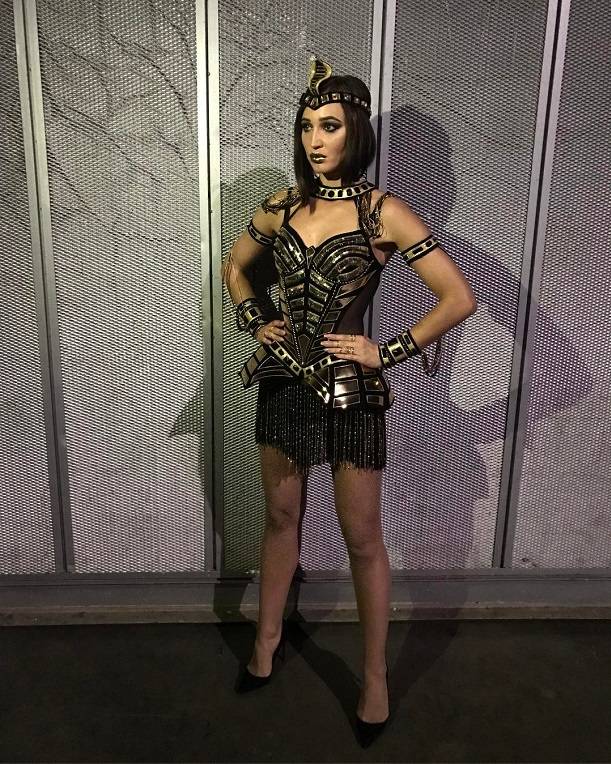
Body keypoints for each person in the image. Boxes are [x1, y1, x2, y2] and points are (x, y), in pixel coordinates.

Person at [221, 55, 476, 747]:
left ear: (355, 132)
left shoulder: (383, 212)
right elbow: (235, 266)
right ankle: (267, 639)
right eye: (307, 126)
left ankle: (374, 677)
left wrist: (383, 350)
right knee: (281, 518)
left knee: (362, 538)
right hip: (282, 382)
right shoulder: (281, 206)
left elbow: (457, 297)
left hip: (352, 394)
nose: (315, 139)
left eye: (329, 126)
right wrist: (255, 318)